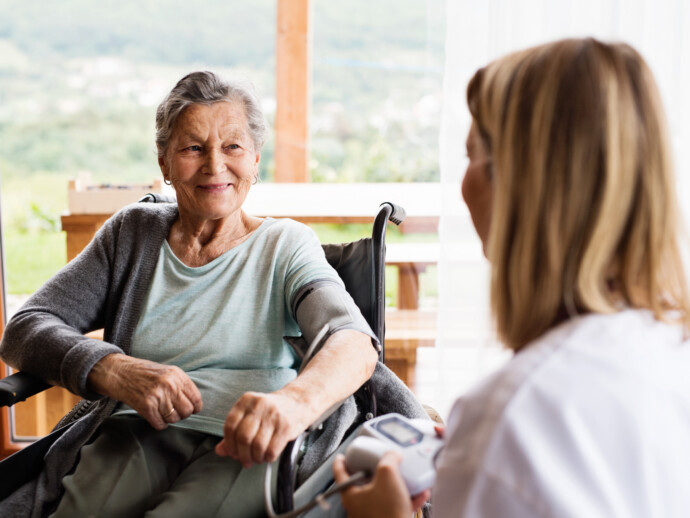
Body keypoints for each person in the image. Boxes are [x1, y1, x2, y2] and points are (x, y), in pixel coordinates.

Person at [0, 71, 429, 518]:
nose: (214, 165)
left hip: (248, 444)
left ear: (256, 158)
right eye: (192, 148)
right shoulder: (132, 234)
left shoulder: (284, 245)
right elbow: (27, 326)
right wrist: (115, 370)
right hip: (135, 431)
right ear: (164, 163)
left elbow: (352, 343)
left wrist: (293, 404)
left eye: (233, 146)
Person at [333, 37, 690, 517]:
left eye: (470, 157)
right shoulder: (669, 348)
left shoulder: (514, 418)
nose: (462, 186)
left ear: (521, 185)